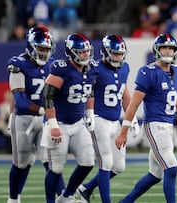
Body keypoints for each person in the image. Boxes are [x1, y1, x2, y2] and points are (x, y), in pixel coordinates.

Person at [115, 33, 177, 203]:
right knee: (171, 167)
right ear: (157, 50)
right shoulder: (148, 72)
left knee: (155, 175)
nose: (168, 51)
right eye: (164, 47)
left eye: (171, 48)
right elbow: (133, 104)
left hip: (169, 126)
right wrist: (123, 131)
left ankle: (125, 202)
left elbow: (176, 95)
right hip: (154, 126)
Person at [76, 34, 139, 203]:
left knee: (119, 166)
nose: (118, 57)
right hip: (99, 119)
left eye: (120, 53)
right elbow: (88, 92)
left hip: (115, 121)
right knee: (106, 162)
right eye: (114, 53)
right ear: (105, 52)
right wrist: (89, 113)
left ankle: (86, 189)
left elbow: (125, 94)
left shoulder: (124, 68)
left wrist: (131, 117)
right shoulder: (94, 67)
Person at [5, 26, 65, 203]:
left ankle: (64, 197)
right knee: (22, 162)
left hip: (46, 120)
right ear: (31, 46)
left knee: (51, 161)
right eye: (40, 48)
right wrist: (44, 111)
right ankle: (14, 199)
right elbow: (20, 101)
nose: (44, 52)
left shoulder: (53, 66)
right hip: (24, 119)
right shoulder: (18, 64)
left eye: (47, 48)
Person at [42, 33, 98, 203]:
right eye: (81, 52)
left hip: (78, 123)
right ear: (71, 52)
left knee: (88, 162)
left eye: (87, 51)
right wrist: (53, 124)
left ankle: (67, 195)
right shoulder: (61, 69)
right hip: (59, 123)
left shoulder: (91, 69)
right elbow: (47, 97)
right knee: (56, 168)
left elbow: (90, 91)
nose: (85, 55)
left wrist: (89, 113)